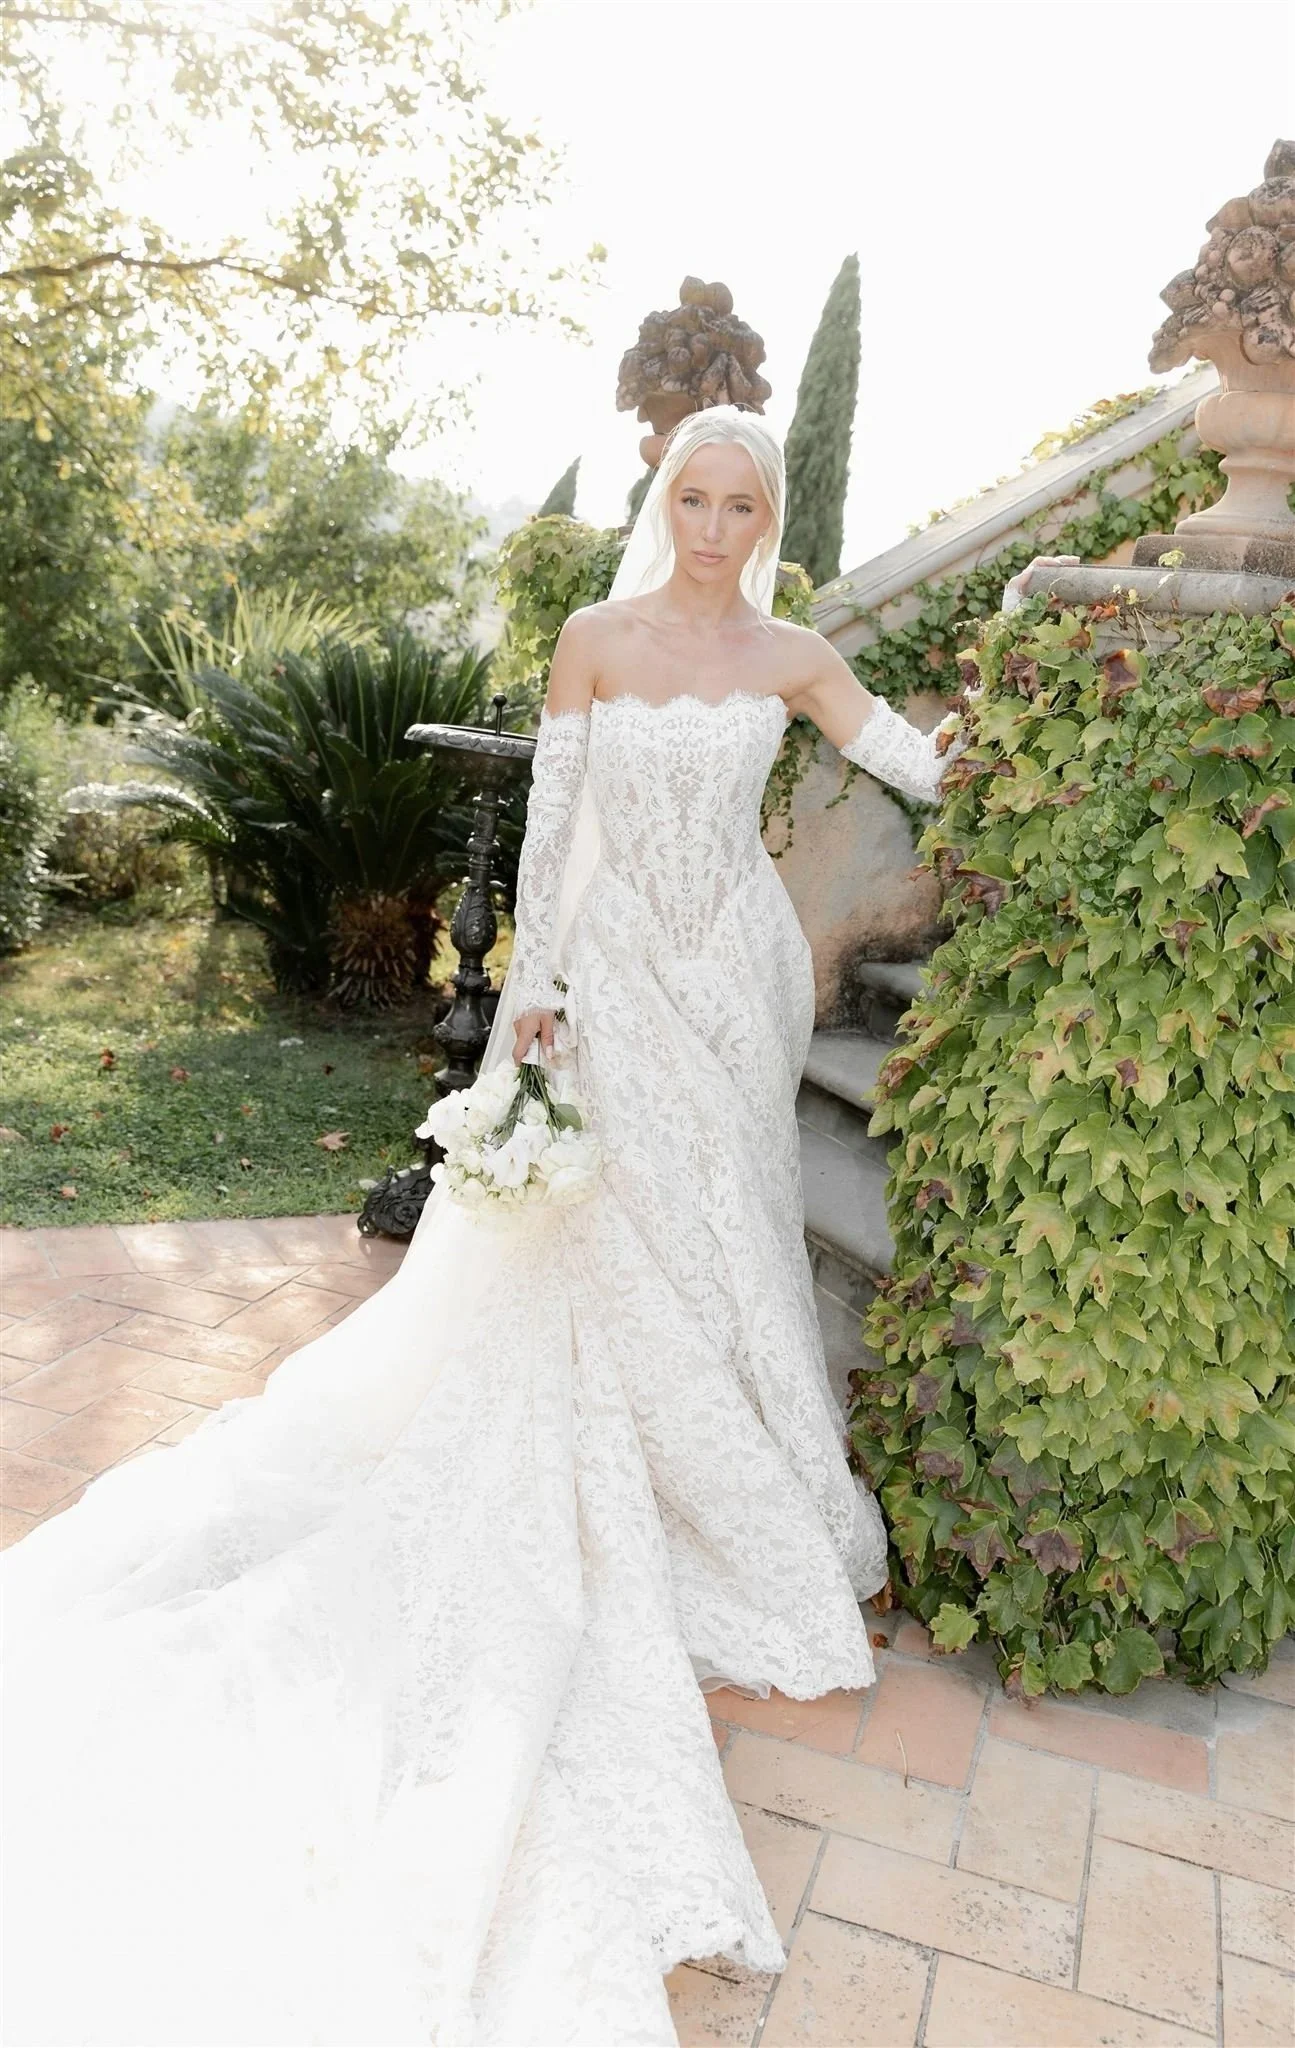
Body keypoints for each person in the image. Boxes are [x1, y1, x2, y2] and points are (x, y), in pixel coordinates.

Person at [0, 406, 971, 2048]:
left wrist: (1025, 752)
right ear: (665, 499)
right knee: (611, 1234)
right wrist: (531, 994)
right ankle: (631, 1473)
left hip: (732, 977)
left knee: (726, 1229)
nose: (719, 522)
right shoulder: (595, 635)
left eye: (744, 501)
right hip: (619, 989)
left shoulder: (793, 649)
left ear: (772, 509)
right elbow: (557, 829)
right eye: (695, 496)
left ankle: (730, 1480)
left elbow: (907, 760)